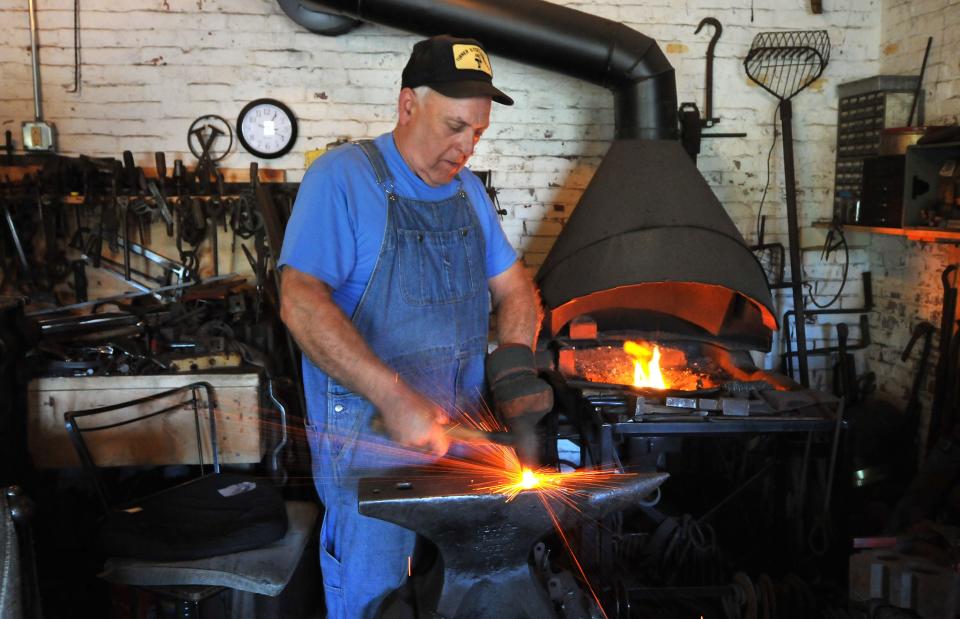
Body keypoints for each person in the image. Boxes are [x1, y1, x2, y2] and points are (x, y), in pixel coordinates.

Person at [278, 35, 550, 618]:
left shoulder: (468, 193)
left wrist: (515, 366)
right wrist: (391, 395)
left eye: (477, 132)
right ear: (408, 105)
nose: (466, 147)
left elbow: (515, 288)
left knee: (458, 599)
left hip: (464, 449)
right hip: (373, 461)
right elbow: (299, 302)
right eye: (455, 126)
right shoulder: (342, 179)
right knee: (379, 602)